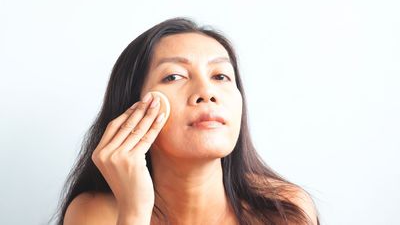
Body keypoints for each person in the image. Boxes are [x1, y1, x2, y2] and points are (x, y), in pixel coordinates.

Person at [54, 17, 320, 224]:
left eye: (221, 76)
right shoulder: (94, 214)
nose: (207, 92)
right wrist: (134, 212)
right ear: (132, 108)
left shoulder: (284, 211)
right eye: (174, 76)